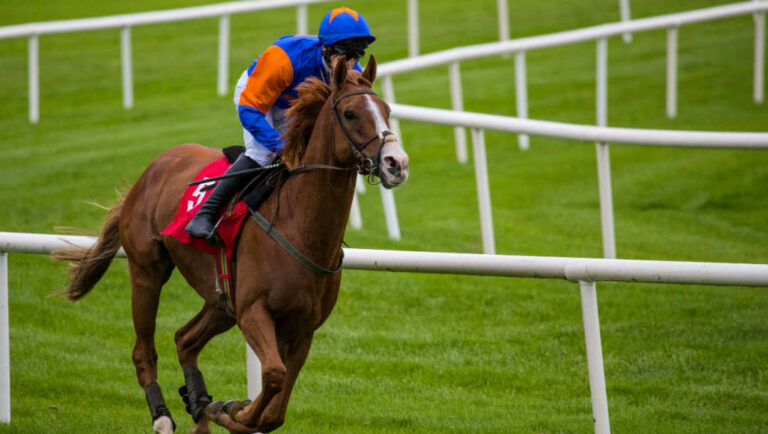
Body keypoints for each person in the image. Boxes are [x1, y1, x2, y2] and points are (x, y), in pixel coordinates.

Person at [185, 7, 375, 243]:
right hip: (256, 97)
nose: (351, 63)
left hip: (292, 104)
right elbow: (250, 109)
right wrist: (280, 144)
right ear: (325, 48)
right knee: (264, 153)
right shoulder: (285, 58)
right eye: (345, 54)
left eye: (357, 55)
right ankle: (204, 215)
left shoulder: (351, 72)